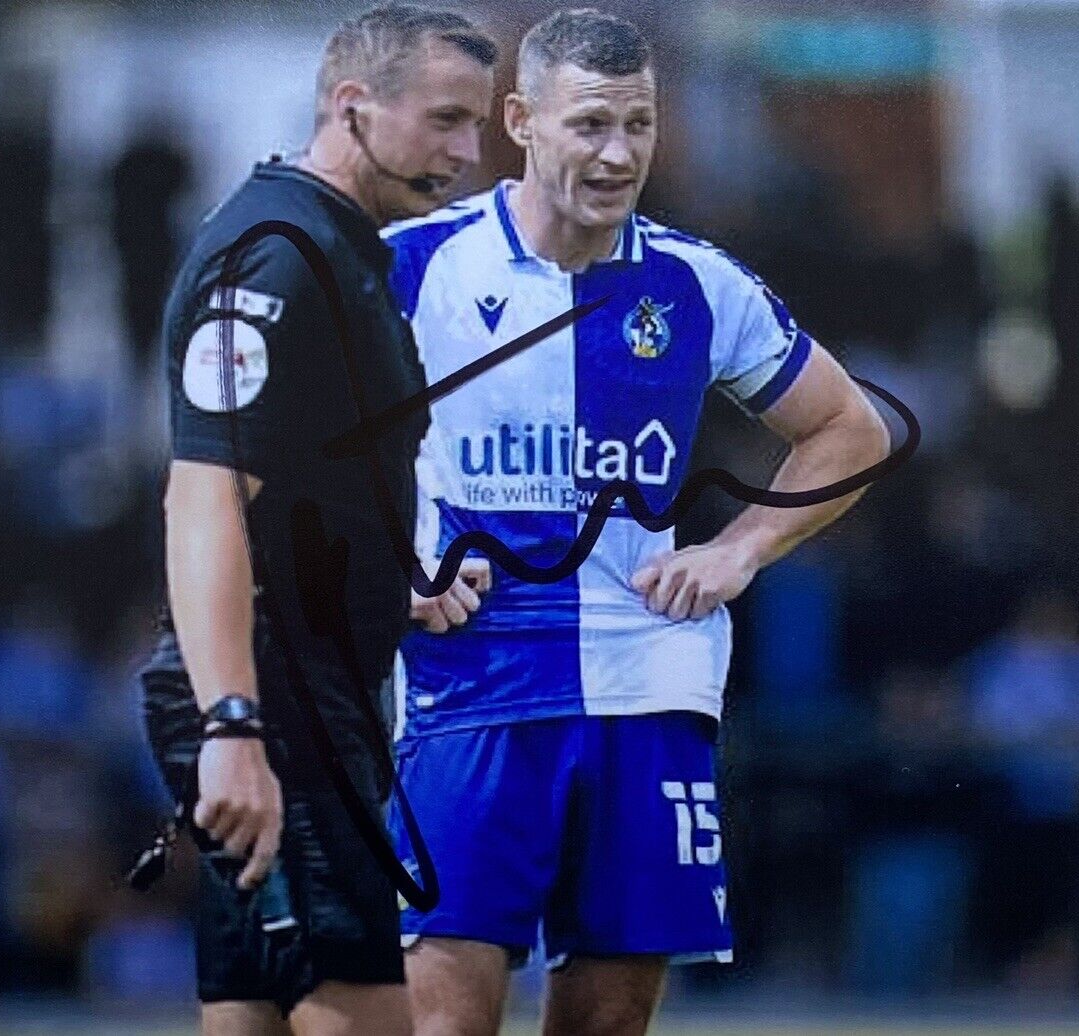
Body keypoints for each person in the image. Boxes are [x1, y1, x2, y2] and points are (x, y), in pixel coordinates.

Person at [383, 10, 891, 1035]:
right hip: (467, 685)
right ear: (520, 122)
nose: (619, 154)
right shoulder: (409, 267)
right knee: (443, 1021)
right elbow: (279, 455)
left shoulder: (696, 285)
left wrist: (740, 548)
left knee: (610, 1018)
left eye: (639, 125)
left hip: (645, 688)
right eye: (590, 126)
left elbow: (852, 429)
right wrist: (379, 564)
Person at [137, 6, 495, 1033]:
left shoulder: (335, 247)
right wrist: (233, 725)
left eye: (474, 126)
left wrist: (388, 577)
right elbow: (203, 497)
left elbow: (305, 470)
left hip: (294, 687)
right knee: (362, 1005)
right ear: (352, 107)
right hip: (275, 704)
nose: (466, 154)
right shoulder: (279, 256)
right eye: (445, 121)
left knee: (251, 1008)